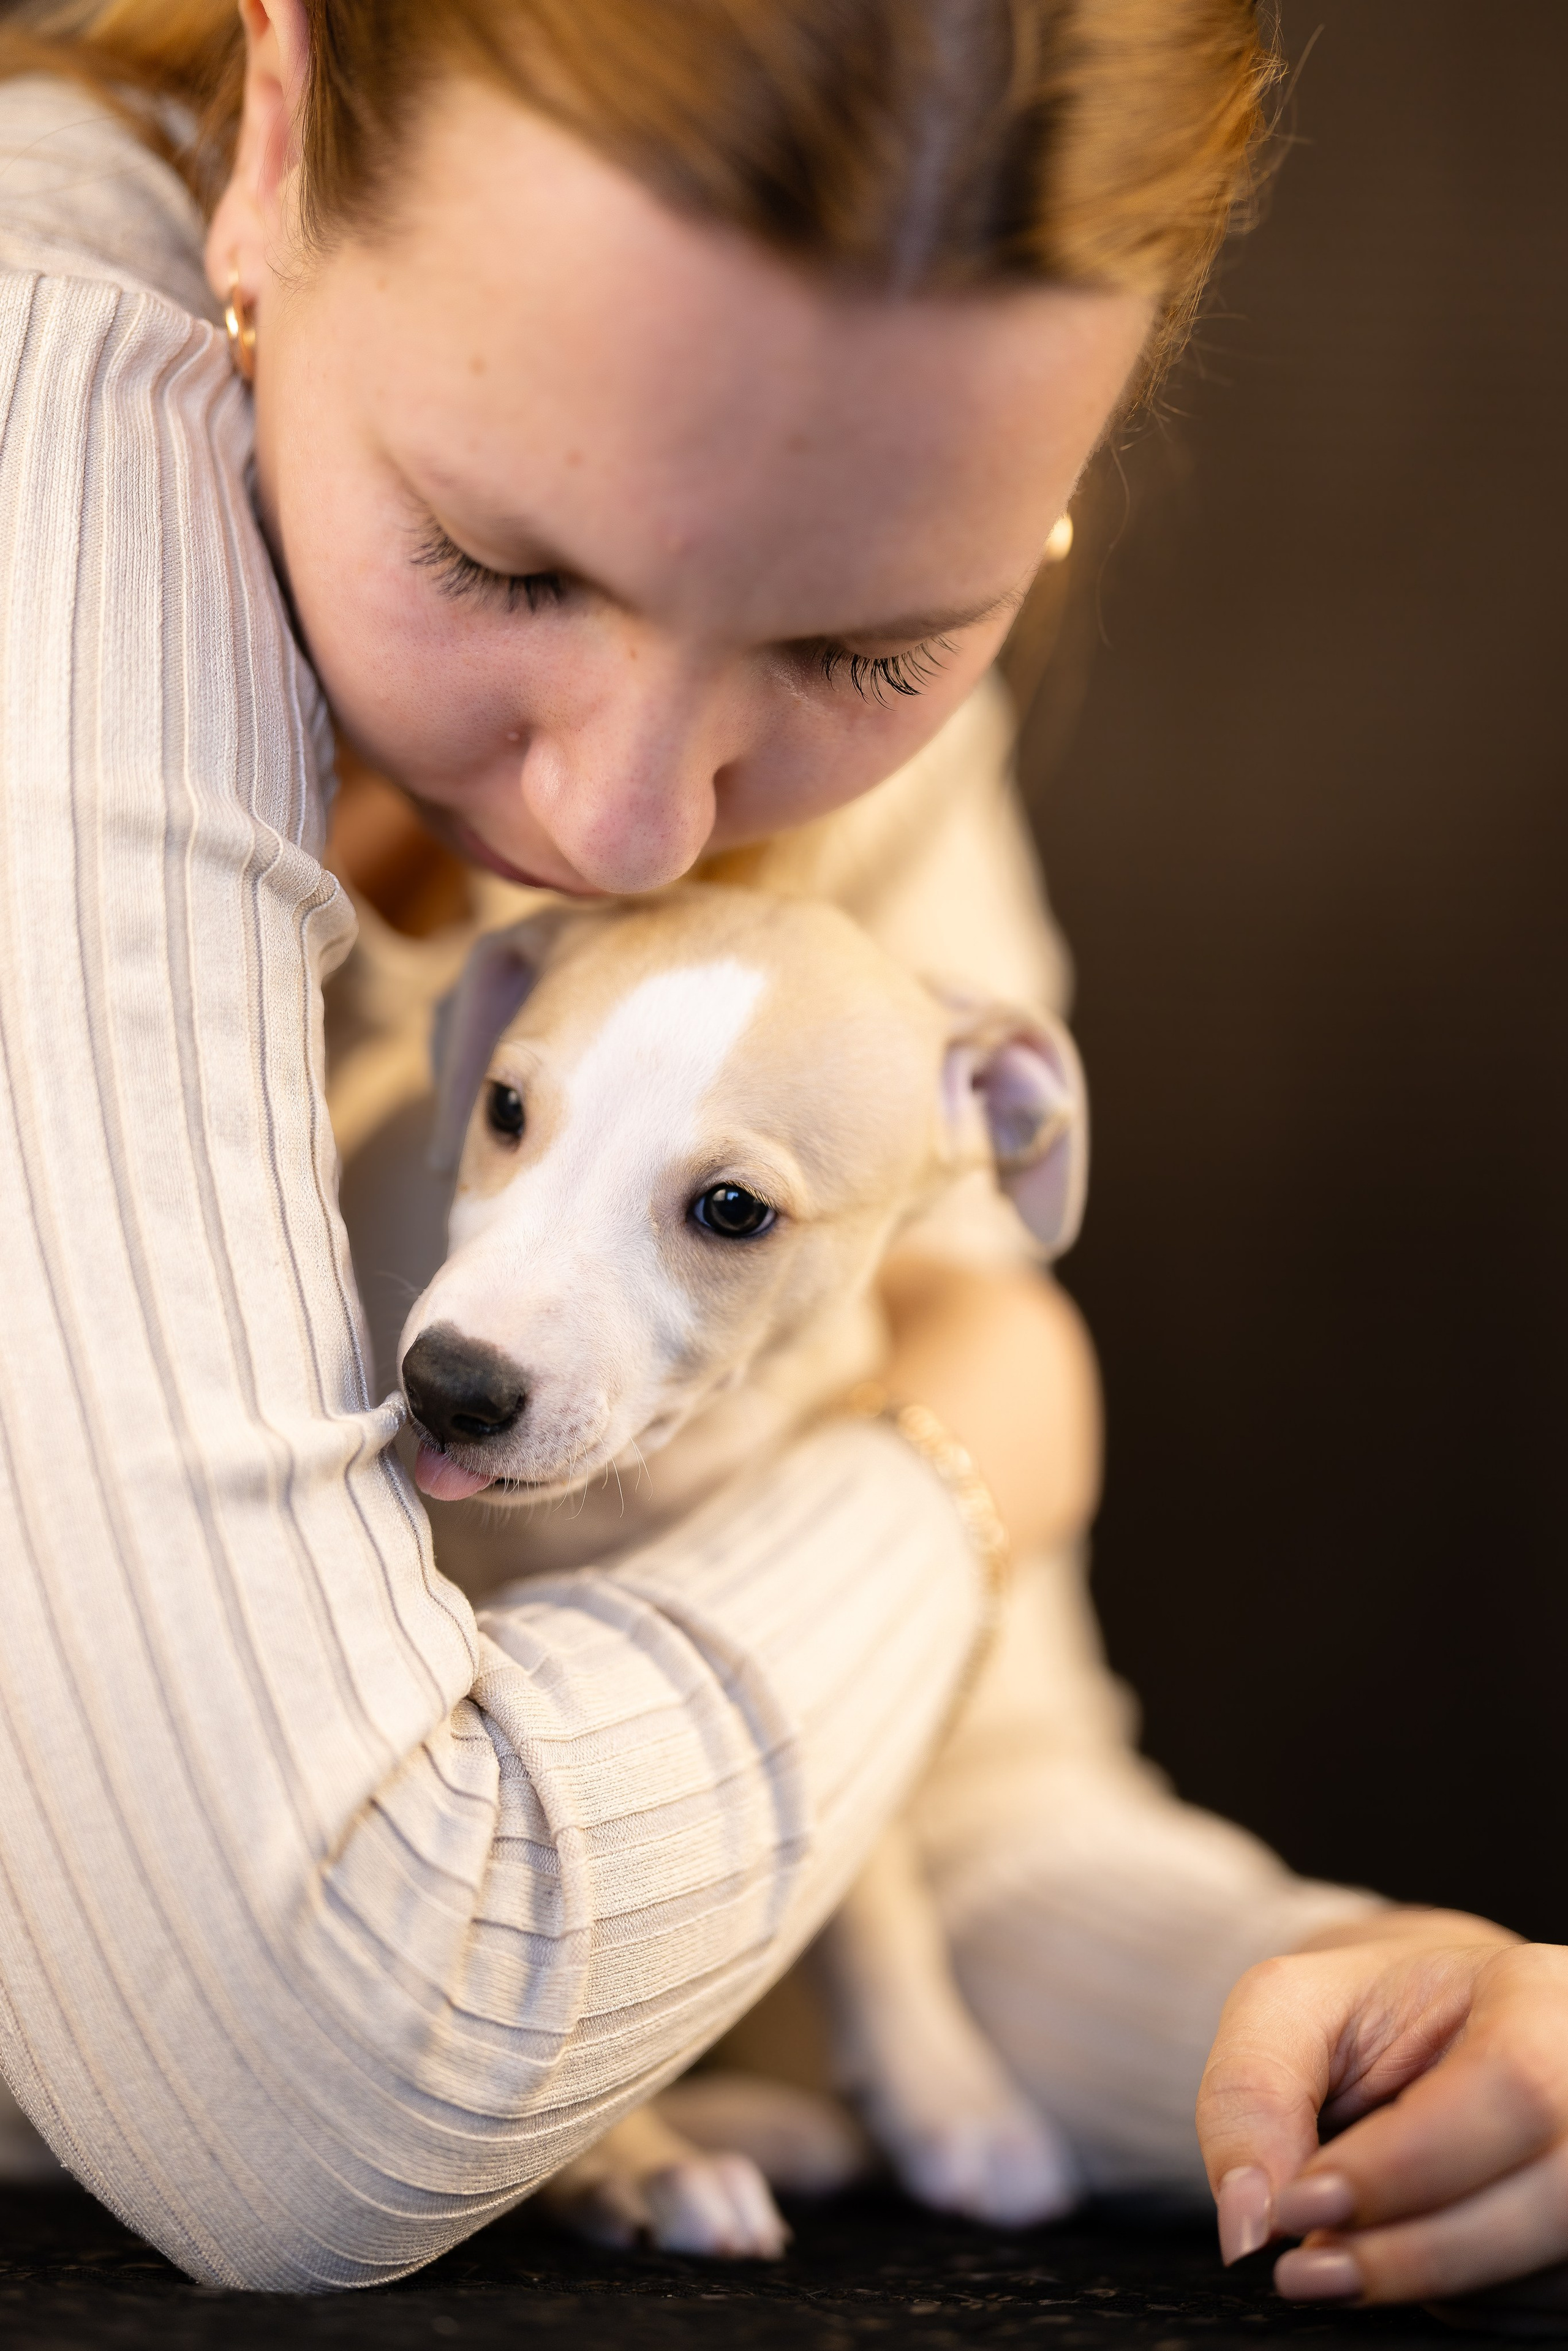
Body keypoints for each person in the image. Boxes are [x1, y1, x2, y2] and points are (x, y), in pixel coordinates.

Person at [0, 0, 1559, 2314]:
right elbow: (307, 2075)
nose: (621, 831)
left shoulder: (841, 594)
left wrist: (1337, 2022)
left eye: (865, 644)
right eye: (500, 562)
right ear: (283, 130)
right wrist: (964, 1450)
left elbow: (923, 1808)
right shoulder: (56, 435)